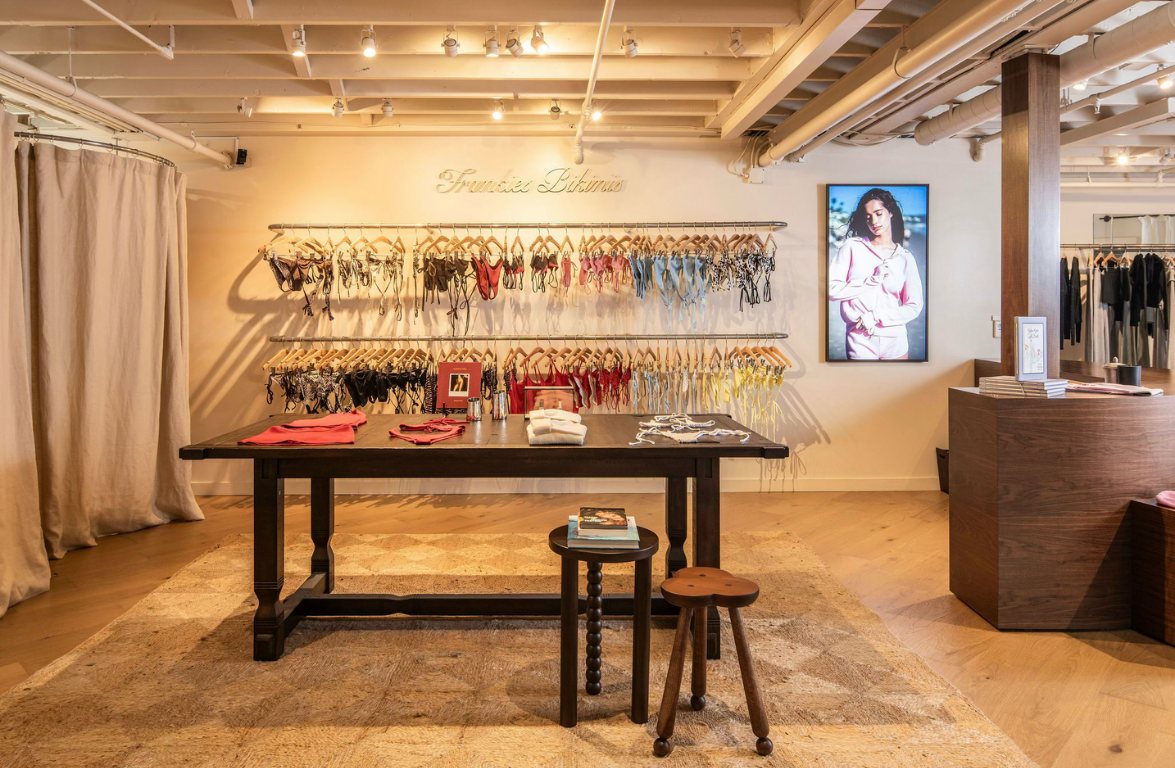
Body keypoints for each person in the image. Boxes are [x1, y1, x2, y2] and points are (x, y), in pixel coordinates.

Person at [828, 188, 924, 360]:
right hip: (859, 338)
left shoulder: (905, 258)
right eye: (868, 216)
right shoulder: (852, 247)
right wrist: (872, 281)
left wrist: (875, 316)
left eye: (879, 213)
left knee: (900, 388)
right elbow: (832, 290)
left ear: (891, 213)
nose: (873, 221)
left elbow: (914, 306)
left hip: (895, 340)